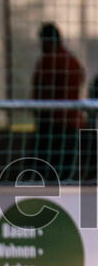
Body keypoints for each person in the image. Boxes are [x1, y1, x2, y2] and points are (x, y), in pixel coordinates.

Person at [32, 23, 86, 179]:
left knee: (48, 172)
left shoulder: (50, 61)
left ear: (48, 41)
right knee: (61, 172)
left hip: (55, 125)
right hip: (66, 124)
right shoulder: (70, 60)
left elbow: (41, 91)